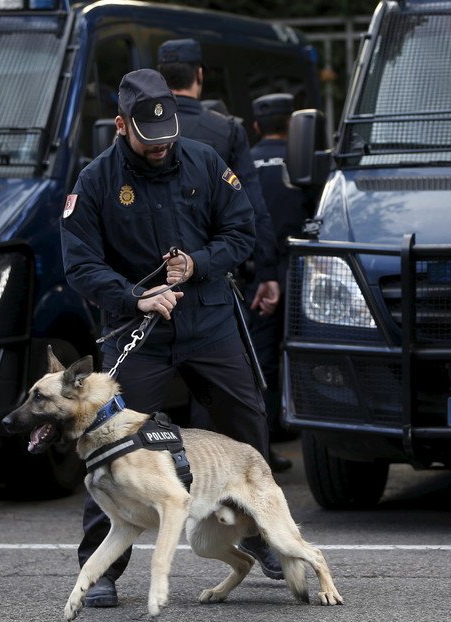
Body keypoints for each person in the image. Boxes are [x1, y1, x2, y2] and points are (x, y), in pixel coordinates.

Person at [61, 68, 282, 609]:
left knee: (246, 421)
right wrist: (133, 297)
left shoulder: (205, 161)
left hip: (208, 323)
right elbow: (80, 265)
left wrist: (198, 264)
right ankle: (106, 567)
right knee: (110, 439)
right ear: (120, 125)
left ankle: (262, 535)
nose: (161, 147)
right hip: (141, 332)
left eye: (168, 136)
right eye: (147, 138)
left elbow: (241, 231)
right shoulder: (94, 181)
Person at [156, 38, 290, 472]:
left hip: (146, 289)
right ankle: (222, 478)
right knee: (222, 391)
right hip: (211, 280)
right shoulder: (226, 130)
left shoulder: (139, 131)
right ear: (200, 76)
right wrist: (267, 272)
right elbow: (250, 211)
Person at [248, 93, 316, 452]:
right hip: (303, 274)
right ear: (292, 125)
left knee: (260, 361)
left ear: (256, 126)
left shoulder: (245, 163)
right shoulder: (304, 163)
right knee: (306, 351)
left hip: (260, 275)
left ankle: (264, 443)